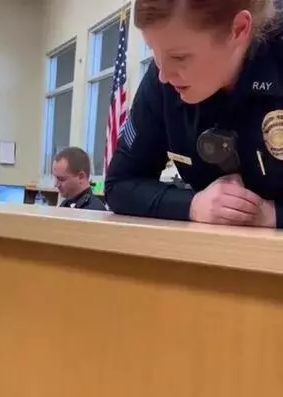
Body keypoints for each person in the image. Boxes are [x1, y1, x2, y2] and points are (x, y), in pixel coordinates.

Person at [105, 0, 283, 228]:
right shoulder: (162, 81)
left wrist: (274, 215)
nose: (163, 76)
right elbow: (119, 184)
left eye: (180, 57)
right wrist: (192, 205)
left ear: (239, 29)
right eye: (153, 52)